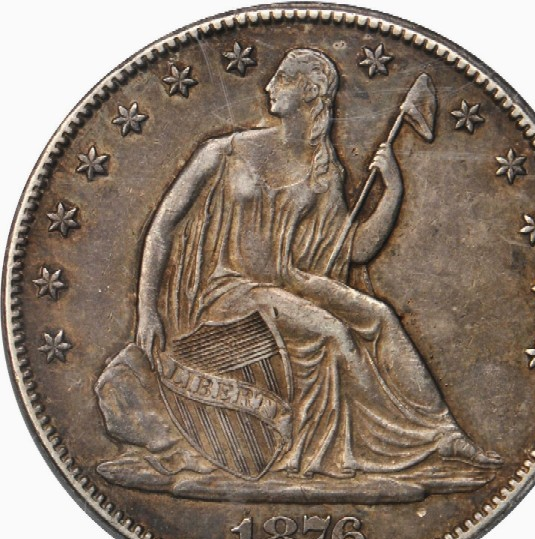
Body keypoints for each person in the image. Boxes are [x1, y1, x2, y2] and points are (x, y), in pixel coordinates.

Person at [106, 48, 500, 482]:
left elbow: (355, 249)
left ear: (308, 91)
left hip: (291, 282)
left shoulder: (323, 170)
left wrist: (392, 193)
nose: (268, 86)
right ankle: (393, 446)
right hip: (231, 293)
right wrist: (147, 309)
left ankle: (443, 435)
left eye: (281, 79)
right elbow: (162, 227)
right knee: (333, 332)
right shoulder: (223, 152)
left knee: (380, 316)